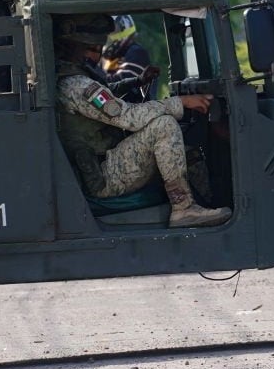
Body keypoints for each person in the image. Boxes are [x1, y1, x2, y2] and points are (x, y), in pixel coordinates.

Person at [53, 14, 230, 228]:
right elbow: (129, 117)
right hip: (102, 176)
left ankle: (208, 207)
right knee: (163, 126)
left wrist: (137, 81)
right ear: (74, 47)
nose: (98, 54)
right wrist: (181, 102)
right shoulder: (75, 84)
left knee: (187, 150)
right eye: (93, 48)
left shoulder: (76, 77)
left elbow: (107, 96)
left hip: (107, 161)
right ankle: (184, 209)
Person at [100, 14, 157, 103]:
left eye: (112, 31)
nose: (109, 36)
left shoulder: (136, 52)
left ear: (124, 28)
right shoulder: (115, 59)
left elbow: (125, 85)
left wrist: (95, 76)